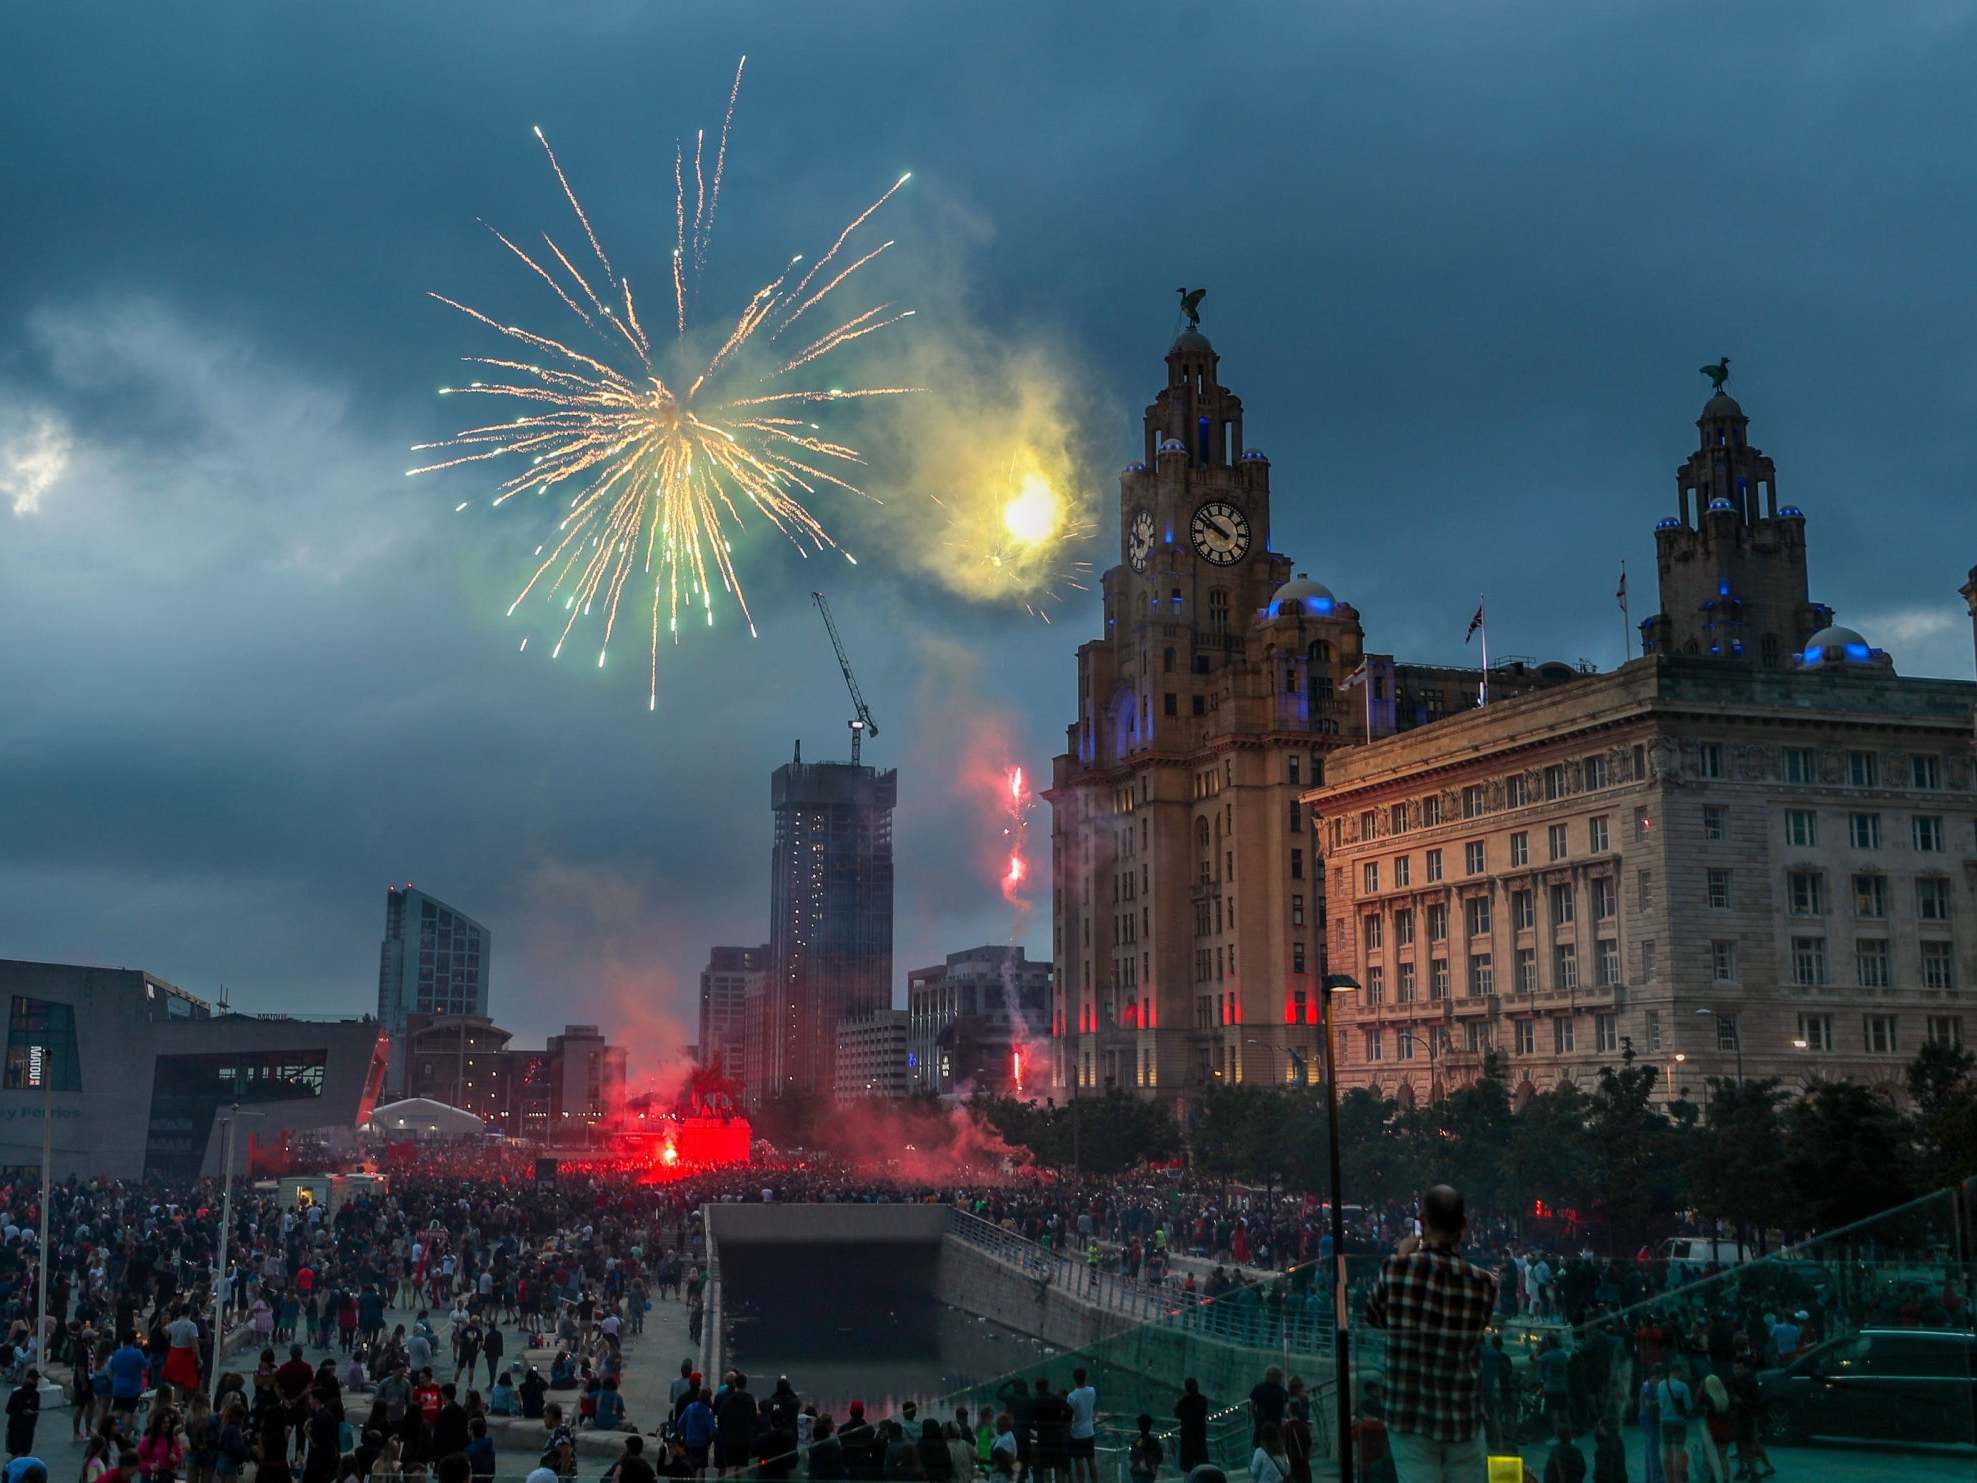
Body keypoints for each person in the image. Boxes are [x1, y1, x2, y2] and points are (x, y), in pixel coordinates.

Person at [1362, 1185, 1498, 1482]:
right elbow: (1477, 1329)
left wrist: (1400, 1255)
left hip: (1410, 1415)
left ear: (1422, 1221)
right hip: (1462, 1416)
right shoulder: (1484, 1283)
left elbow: (1373, 1316)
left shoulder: (1396, 1270)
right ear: (1463, 1225)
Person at [1652, 1364, 1694, 1483]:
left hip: (1664, 1421)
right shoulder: (1683, 1386)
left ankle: (1668, 1479)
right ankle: (1678, 1480)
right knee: (1678, 1451)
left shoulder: (1660, 1385)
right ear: (1678, 1372)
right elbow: (1689, 1407)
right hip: (1679, 1422)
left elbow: (1660, 1404)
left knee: (1666, 1451)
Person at [1065, 1370, 1097, 1483]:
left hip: (1077, 1433)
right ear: (1085, 1377)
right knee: (1091, 1460)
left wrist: (1068, 1433)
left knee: (1079, 1461)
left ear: (1074, 1379)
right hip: (1089, 1431)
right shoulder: (1092, 1391)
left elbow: (1068, 1417)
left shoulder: (1072, 1396)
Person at [1173, 1380, 1208, 1474]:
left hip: (1187, 1438)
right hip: (1199, 1437)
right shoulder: (1202, 1399)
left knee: (1187, 1468)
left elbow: (1177, 1413)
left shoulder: (1184, 1401)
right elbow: (1204, 1412)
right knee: (1202, 1467)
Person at [5, 1369, 39, 1459]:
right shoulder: (17, 1394)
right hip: (15, 1428)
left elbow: (35, 1410)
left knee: (24, 1453)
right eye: (33, 1379)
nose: (35, 1382)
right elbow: (9, 1409)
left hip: (28, 1429)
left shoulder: (36, 1395)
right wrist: (22, 1411)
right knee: (15, 1455)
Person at [1591, 1415, 1626, 1483]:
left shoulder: (1602, 1449)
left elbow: (1601, 1474)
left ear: (1604, 1429)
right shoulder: (1618, 1440)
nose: (1597, 1429)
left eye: (1599, 1426)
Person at [1128, 1415, 1162, 1483]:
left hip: (1139, 1473)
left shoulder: (1137, 1441)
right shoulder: (1153, 1442)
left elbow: (1132, 1457)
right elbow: (1159, 1457)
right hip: (1148, 1473)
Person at [464, 1419, 495, 1483]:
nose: (467, 1430)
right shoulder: (490, 1448)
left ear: (471, 1431)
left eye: (468, 1428)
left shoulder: (469, 1450)